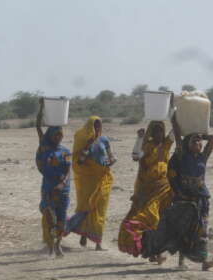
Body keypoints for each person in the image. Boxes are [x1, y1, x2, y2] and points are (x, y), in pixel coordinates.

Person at [141, 111, 213, 271]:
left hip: (201, 200)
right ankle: (174, 259)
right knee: (181, 230)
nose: (198, 144)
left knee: (200, 231)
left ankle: (203, 261)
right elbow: (178, 138)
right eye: (194, 141)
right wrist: (175, 121)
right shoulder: (182, 156)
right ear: (187, 144)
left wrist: (203, 135)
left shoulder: (202, 157)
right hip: (184, 200)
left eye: (199, 142)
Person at [118, 121, 174, 263]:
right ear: (151, 133)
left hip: (164, 190)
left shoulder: (166, 145)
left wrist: (175, 113)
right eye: (156, 131)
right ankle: (147, 249)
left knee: (160, 222)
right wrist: (139, 138)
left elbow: (175, 133)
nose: (159, 134)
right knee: (150, 218)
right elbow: (136, 156)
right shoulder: (147, 146)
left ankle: (155, 252)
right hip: (147, 190)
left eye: (161, 131)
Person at [68, 116, 116, 251]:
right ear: (89, 127)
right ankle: (83, 234)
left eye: (99, 125)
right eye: (95, 126)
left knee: (100, 209)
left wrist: (112, 160)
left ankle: (97, 242)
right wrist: (88, 146)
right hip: (88, 181)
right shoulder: (83, 141)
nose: (97, 128)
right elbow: (79, 162)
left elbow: (110, 155)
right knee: (87, 207)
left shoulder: (104, 139)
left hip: (103, 178)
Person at [35, 98, 71, 257]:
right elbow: (37, 126)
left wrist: (63, 183)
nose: (58, 137)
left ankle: (58, 245)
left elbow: (70, 169)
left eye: (60, 134)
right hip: (49, 187)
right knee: (50, 217)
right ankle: (50, 244)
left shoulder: (66, 151)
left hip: (63, 189)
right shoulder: (45, 146)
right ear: (50, 135)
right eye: (56, 134)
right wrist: (42, 107)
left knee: (62, 218)